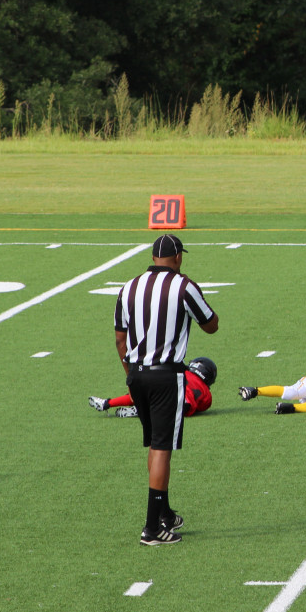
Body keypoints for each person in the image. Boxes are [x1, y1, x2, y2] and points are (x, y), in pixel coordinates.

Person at [114, 234, 218, 546]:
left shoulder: (129, 287)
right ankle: (151, 528)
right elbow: (211, 324)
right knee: (162, 446)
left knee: (155, 444)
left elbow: (120, 339)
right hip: (166, 375)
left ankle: (164, 513)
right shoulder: (184, 286)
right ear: (177, 257)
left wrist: (130, 375)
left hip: (137, 372)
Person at [90, 356, 215, 418]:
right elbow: (201, 407)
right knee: (167, 406)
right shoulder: (206, 393)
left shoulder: (183, 372)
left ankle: (107, 403)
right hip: (182, 404)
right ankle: (143, 410)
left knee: (142, 394)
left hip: (165, 389)